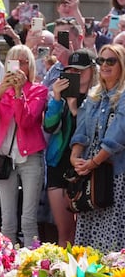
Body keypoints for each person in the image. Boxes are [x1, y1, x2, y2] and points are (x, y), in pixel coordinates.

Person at [0, 45, 48, 247]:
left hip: (30, 158)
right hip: (5, 158)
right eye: (14, 62)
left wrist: (19, 93)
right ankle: (7, 264)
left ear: (30, 66)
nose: (19, 67)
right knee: (7, 220)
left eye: (24, 62)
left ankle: (32, 264)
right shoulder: (1, 90)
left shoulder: (39, 90)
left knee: (28, 220)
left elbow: (26, 121)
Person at [69, 44, 125, 253]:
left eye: (111, 61)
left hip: (116, 175)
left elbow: (117, 137)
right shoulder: (93, 96)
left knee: (114, 236)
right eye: (101, 61)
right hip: (90, 176)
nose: (105, 65)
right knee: (88, 236)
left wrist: (92, 163)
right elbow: (81, 132)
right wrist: (75, 158)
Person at [44, 48, 97, 247]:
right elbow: (48, 126)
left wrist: (75, 110)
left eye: (80, 70)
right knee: (64, 232)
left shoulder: (97, 98)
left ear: (93, 70)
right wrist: (57, 99)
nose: (75, 75)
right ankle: (62, 276)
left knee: (82, 232)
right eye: (71, 70)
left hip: (85, 166)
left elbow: (90, 133)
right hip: (59, 165)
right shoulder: (62, 96)